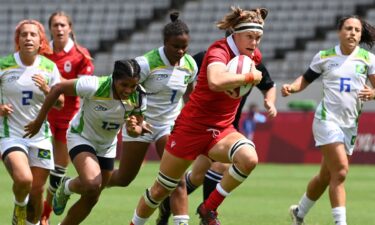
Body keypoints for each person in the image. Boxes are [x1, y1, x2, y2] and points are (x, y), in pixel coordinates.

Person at [129, 6, 276, 225]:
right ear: (235, 33)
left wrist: (267, 98)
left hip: (222, 130)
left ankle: (208, 208)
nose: (255, 43)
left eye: (258, 38)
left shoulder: (253, 56)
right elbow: (216, 81)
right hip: (191, 128)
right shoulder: (218, 51)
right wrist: (247, 77)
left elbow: (266, 84)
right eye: (250, 37)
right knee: (162, 189)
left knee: (249, 158)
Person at [24, 59, 149, 225]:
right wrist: (39, 121)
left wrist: (135, 130)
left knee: (92, 197)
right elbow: (57, 88)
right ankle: (67, 187)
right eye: (124, 85)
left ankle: (67, 186)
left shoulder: (139, 95)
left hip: (106, 146)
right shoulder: (94, 85)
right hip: (81, 137)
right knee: (92, 185)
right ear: (114, 79)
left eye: (132, 86)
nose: (128, 90)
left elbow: (138, 128)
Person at [282, 15, 375, 225]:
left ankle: (299, 212)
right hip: (327, 119)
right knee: (340, 171)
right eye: (348, 28)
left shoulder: (368, 59)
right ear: (339, 32)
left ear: (361, 35)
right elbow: (305, 79)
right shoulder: (324, 56)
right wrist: (292, 88)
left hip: (350, 124)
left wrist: (373, 93)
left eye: (357, 30)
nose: (352, 32)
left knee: (326, 176)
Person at [106, 11, 197, 225]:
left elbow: (191, 93)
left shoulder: (190, 64)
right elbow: (122, 90)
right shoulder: (146, 63)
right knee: (124, 178)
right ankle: (86, 182)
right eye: (176, 46)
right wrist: (134, 118)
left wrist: (189, 118)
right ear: (165, 42)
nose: (181, 51)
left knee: (177, 180)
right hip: (141, 124)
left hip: (169, 126)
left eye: (185, 47)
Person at [0, 19, 63, 225]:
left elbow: (60, 103)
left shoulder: (49, 67)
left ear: (40, 41)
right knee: (24, 179)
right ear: (17, 39)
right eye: (24, 34)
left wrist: (47, 90)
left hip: (41, 137)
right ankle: (19, 207)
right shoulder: (4, 65)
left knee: (37, 193)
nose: (28, 38)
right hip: (11, 135)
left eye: (33, 35)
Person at [40, 11, 94, 225]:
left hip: (67, 119)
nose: (59, 29)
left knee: (58, 170)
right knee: (37, 169)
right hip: (43, 115)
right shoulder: (41, 52)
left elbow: (84, 89)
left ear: (70, 28)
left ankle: (46, 211)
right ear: (50, 28)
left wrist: (55, 80)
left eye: (63, 25)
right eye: (55, 25)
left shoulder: (81, 55)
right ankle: (34, 210)